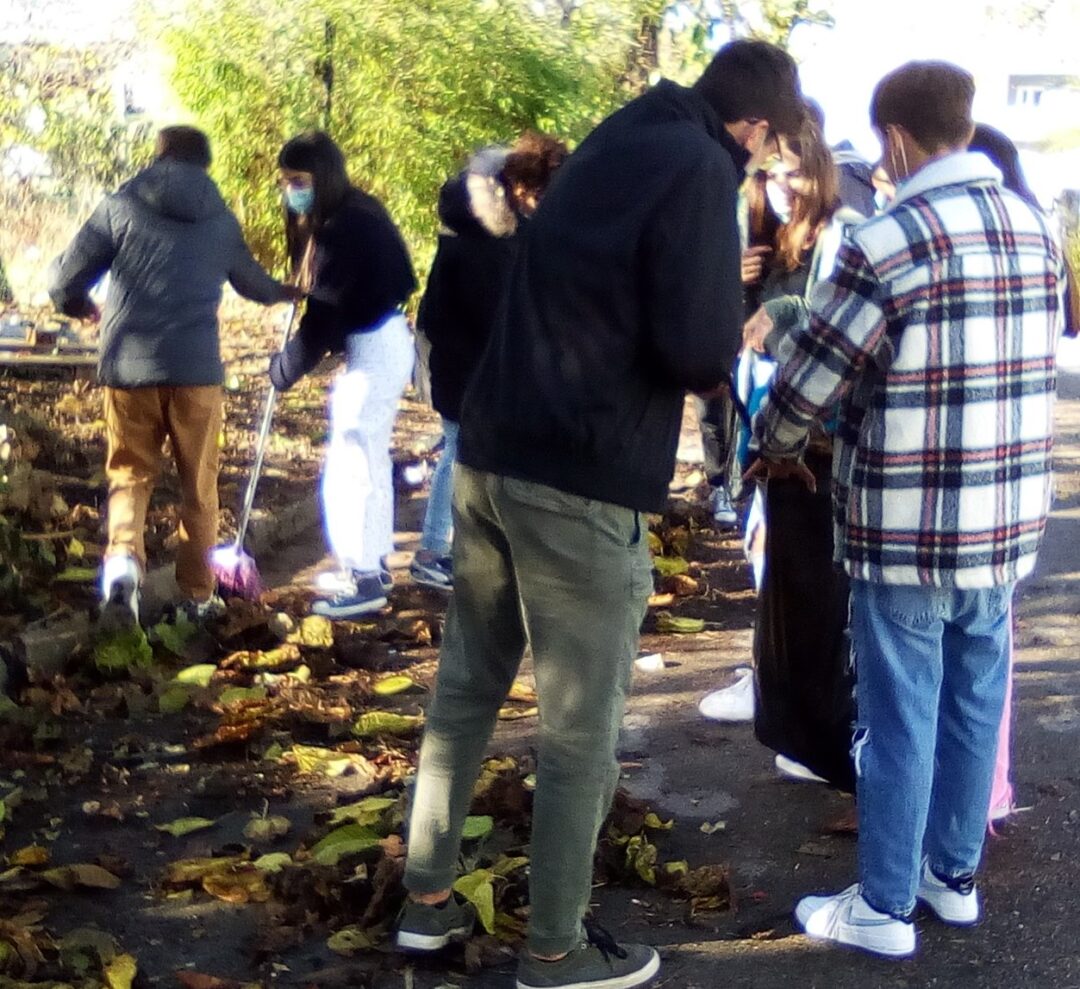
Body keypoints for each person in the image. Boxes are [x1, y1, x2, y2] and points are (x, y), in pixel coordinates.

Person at [395, 39, 803, 989]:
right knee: (579, 723)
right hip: (581, 470)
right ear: (753, 127)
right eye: (768, 149)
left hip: (491, 449)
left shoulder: (623, 132)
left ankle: (424, 901)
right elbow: (695, 344)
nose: (761, 164)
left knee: (465, 691)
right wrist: (727, 334)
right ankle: (555, 947)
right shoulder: (702, 164)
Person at [751, 61, 1063, 958]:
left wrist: (772, 441)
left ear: (893, 137)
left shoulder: (887, 239)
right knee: (973, 700)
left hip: (908, 526)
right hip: (1005, 521)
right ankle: (951, 876)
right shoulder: (1034, 228)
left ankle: (884, 906)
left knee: (898, 714)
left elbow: (812, 373)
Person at [48, 125, 296, 623]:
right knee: (198, 487)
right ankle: (198, 596)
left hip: (129, 368)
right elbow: (255, 285)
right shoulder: (221, 221)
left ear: (159, 157)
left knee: (130, 475)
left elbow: (62, 280)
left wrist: (79, 306)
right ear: (205, 165)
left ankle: (123, 566)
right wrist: (290, 290)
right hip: (197, 373)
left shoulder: (120, 207)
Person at [700, 117, 864, 800]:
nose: (781, 184)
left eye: (792, 170)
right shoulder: (770, 232)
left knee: (813, 589)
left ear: (819, 166)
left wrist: (782, 315)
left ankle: (823, 737)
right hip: (776, 423)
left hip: (813, 439)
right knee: (782, 574)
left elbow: (833, 331)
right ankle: (794, 717)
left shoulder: (845, 229)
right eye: (770, 172)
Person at [268, 132, 417, 619]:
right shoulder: (357, 211)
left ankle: (364, 576)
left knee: (352, 464)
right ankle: (371, 565)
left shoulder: (342, 228)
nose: (291, 191)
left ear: (323, 176)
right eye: (285, 182)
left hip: (375, 345)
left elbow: (324, 318)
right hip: (381, 340)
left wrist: (285, 368)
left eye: (298, 181)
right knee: (365, 458)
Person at [410, 133, 568, 591]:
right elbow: (477, 314)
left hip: (482, 364)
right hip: (462, 364)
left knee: (474, 456)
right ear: (518, 188)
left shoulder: (511, 232)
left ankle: (466, 548)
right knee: (458, 452)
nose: (544, 204)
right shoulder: (476, 239)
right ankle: (432, 550)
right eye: (540, 195)